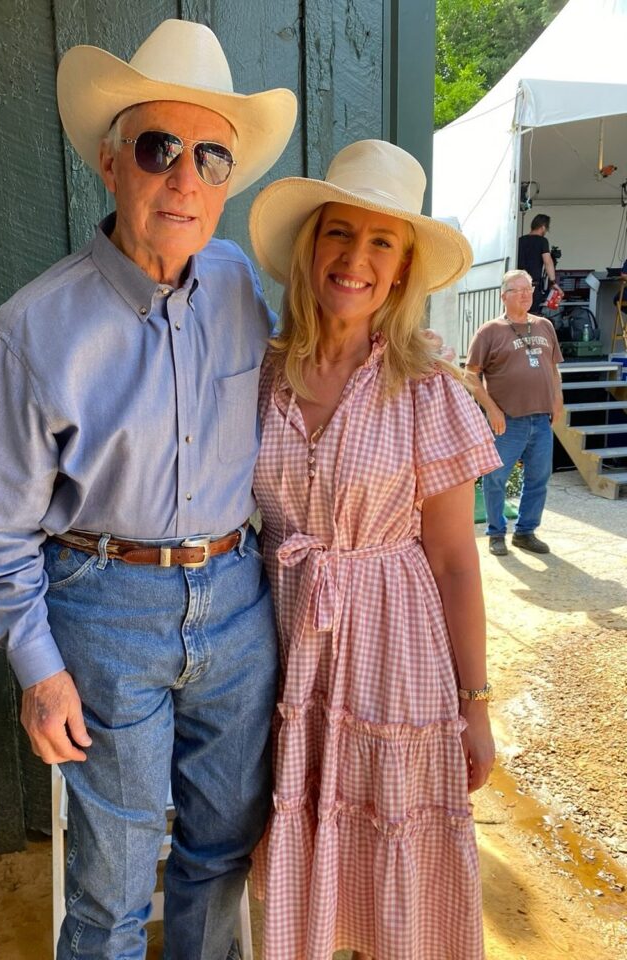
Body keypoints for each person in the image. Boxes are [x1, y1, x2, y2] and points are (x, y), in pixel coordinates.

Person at [0, 19, 297, 960]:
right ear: (112, 165)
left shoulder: (241, 289)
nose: (186, 178)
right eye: (160, 148)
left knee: (222, 851)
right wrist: (37, 667)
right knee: (111, 881)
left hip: (237, 600)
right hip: (103, 608)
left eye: (213, 157)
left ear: (230, 185)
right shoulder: (37, 326)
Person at [247, 140, 501, 960]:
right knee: (301, 835)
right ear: (310, 248)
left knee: (391, 856)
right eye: (339, 233)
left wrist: (476, 705)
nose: (355, 258)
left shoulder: (425, 386)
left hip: (394, 653)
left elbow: (457, 561)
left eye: (381, 242)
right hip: (283, 646)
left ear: (401, 272)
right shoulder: (260, 373)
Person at [465, 269, 564, 557]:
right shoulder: (490, 331)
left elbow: (554, 369)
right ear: (503, 296)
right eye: (518, 290)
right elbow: (471, 375)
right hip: (507, 422)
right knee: (496, 478)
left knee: (539, 478)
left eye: (529, 289)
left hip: (541, 420)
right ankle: (496, 533)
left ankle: (526, 532)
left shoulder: (544, 325)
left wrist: (558, 400)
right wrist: (491, 409)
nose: (525, 294)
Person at [517, 213, 561, 314]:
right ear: (543, 227)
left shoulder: (520, 241)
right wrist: (553, 282)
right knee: (532, 315)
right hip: (533, 284)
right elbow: (547, 261)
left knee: (518, 314)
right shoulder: (542, 241)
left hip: (518, 283)